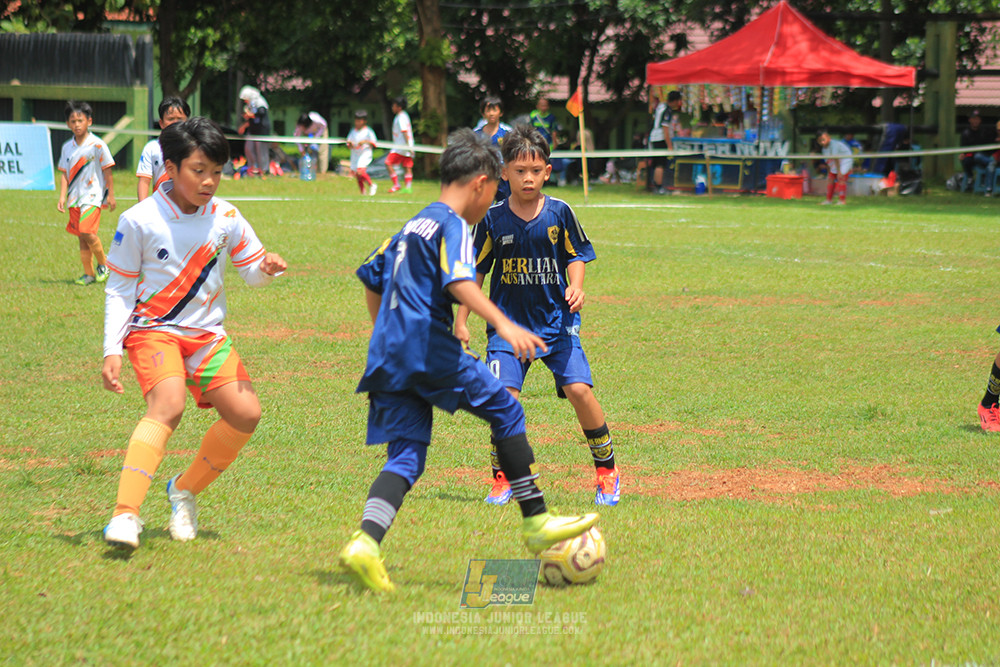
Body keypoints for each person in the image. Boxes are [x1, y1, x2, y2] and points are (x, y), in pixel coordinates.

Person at [337, 128, 599, 593]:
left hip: (388, 356)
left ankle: (365, 542)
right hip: (426, 346)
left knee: (406, 457)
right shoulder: (454, 226)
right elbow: (463, 283)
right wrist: (505, 324)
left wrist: (383, 333)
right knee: (506, 407)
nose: (493, 200)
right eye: (496, 187)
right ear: (481, 184)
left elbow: (372, 279)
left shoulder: (412, 224)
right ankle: (536, 519)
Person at [100, 117, 288, 550]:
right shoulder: (139, 220)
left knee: (246, 414)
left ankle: (183, 490)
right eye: (198, 170)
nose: (209, 181)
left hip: (206, 334)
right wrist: (112, 348)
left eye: (217, 172)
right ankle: (125, 516)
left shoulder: (226, 216)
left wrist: (267, 269)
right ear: (170, 168)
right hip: (153, 330)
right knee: (168, 405)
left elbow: (251, 273)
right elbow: (119, 288)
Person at [455, 125, 621, 508]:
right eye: (518, 170)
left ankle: (607, 471)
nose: (527, 178)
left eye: (534, 170)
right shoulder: (492, 219)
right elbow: (475, 273)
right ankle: (503, 478)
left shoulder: (560, 212)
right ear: (504, 173)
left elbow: (575, 255)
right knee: (504, 399)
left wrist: (577, 286)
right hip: (507, 328)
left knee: (580, 391)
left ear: (547, 171)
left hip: (556, 324)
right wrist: (462, 319)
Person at [56, 100, 116, 286]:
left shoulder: (97, 145)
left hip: (93, 196)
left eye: (80, 120)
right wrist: (62, 196)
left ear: (89, 121)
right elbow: (64, 174)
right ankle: (89, 274)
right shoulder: (67, 147)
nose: (77, 124)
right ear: (68, 124)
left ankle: (104, 265)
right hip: (74, 198)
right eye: (73, 121)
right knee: (82, 238)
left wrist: (111, 195)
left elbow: (107, 170)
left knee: (87, 231)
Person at [136, 97, 191, 201]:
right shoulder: (152, 148)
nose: (175, 123)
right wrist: (141, 209)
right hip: (160, 206)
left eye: (179, 119)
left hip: (186, 206)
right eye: (170, 119)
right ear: (161, 123)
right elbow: (144, 181)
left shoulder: (193, 148)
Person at [474, 96, 512, 201]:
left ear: (501, 112)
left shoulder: (508, 132)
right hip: (484, 175)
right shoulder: (476, 134)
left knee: (505, 205)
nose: (491, 113)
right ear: (483, 113)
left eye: (494, 110)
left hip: (503, 176)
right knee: (484, 206)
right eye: (488, 110)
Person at [237, 85, 271, 177]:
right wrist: (243, 126)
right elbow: (251, 119)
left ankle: (264, 170)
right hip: (252, 131)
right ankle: (252, 168)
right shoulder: (250, 104)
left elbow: (260, 114)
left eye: (245, 99)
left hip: (261, 131)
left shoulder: (260, 102)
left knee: (261, 151)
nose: (245, 101)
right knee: (248, 148)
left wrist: (250, 114)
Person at [346, 109, 378, 196]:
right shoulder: (353, 131)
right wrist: (350, 144)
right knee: (357, 174)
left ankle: (371, 185)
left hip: (365, 153)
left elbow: (375, 143)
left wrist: (365, 141)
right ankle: (363, 193)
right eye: (356, 121)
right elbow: (349, 142)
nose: (357, 123)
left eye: (359, 121)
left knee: (361, 171)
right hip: (355, 154)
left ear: (364, 121)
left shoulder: (368, 131)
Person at [386, 96, 414, 193]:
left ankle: (396, 184)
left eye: (394, 105)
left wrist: (407, 146)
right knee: (407, 166)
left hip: (401, 146)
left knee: (388, 162)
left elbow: (404, 131)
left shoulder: (401, 117)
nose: (392, 107)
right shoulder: (404, 115)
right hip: (406, 145)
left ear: (399, 107)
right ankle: (408, 188)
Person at [817, 130, 854, 205]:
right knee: (830, 179)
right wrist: (829, 173)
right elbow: (828, 162)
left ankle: (842, 200)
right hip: (836, 163)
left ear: (829, 138)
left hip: (845, 160)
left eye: (824, 139)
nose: (822, 142)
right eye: (820, 140)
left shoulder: (834, 144)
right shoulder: (824, 149)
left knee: (841, 179)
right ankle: (829, 200)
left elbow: (835, 158)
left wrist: (839, 172)